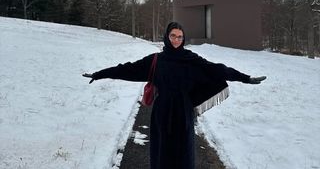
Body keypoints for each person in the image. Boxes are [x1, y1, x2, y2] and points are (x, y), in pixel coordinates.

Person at [83, 22, 266, 169]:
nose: (176, 40)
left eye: (180, 37)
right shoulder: (156, 60)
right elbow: (128, 69)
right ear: (167, 36)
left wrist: (245, 78)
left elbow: (217, 69)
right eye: (173, 36)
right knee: (162, 153)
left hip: (184, 114)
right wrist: (100, 74)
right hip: (161, 113)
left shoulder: (191, 60)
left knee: (183, 155)